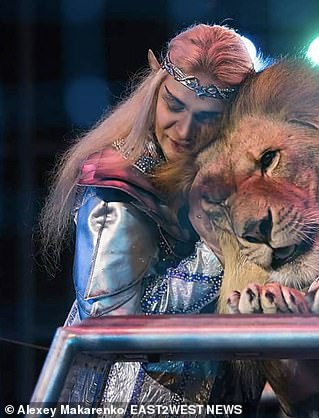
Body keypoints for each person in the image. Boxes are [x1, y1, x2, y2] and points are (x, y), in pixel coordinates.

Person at [38, 23, 255, 408]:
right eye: (174, 105)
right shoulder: (117, 184)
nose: (185, 130)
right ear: (156, 88)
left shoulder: (227, 182)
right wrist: (217, 252)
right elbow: (109, 324)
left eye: (207, 118)